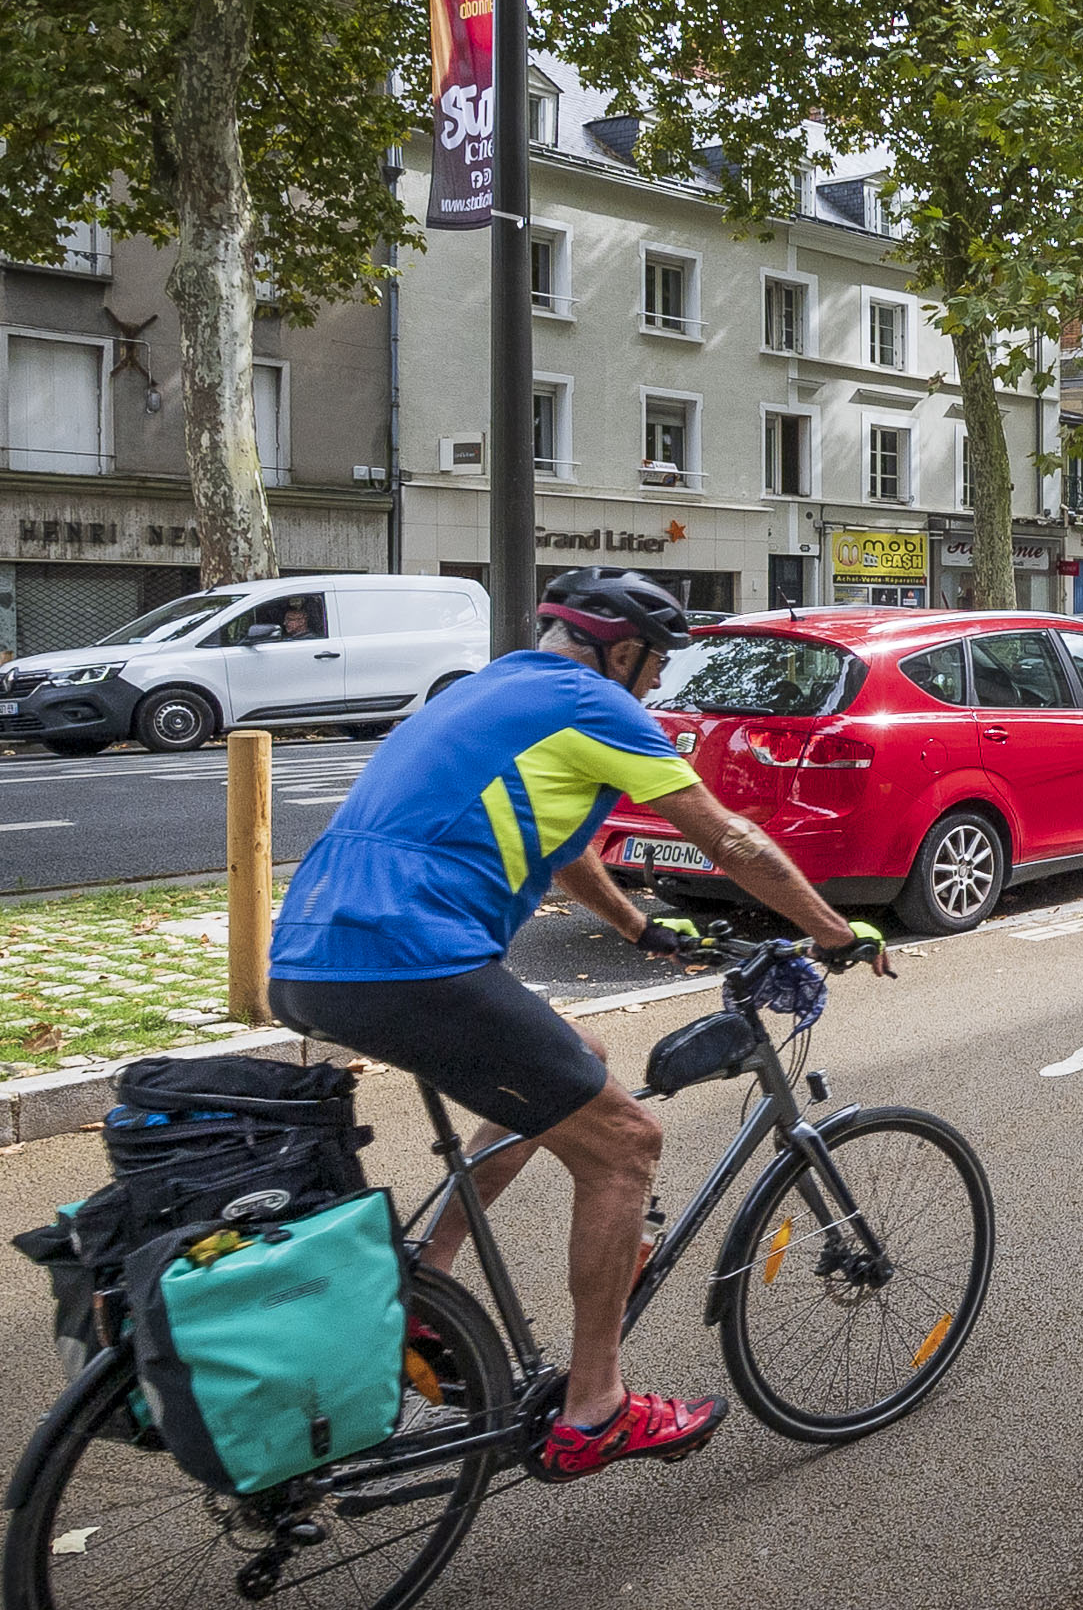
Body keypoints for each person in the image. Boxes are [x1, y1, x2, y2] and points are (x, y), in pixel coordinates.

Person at [265, 569, 877, 1483]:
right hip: (408, 956)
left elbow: (569, 846)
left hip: (310, 954)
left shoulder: (490, 690)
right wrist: (833, 929)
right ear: (622, 651)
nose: (656, 683)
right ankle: (597, 1409)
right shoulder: (596, 703)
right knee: (624, 1143)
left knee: (576, 1057)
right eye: (655, 664)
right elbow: (730, 839)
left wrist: (640, 926)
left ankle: (422, 1283)